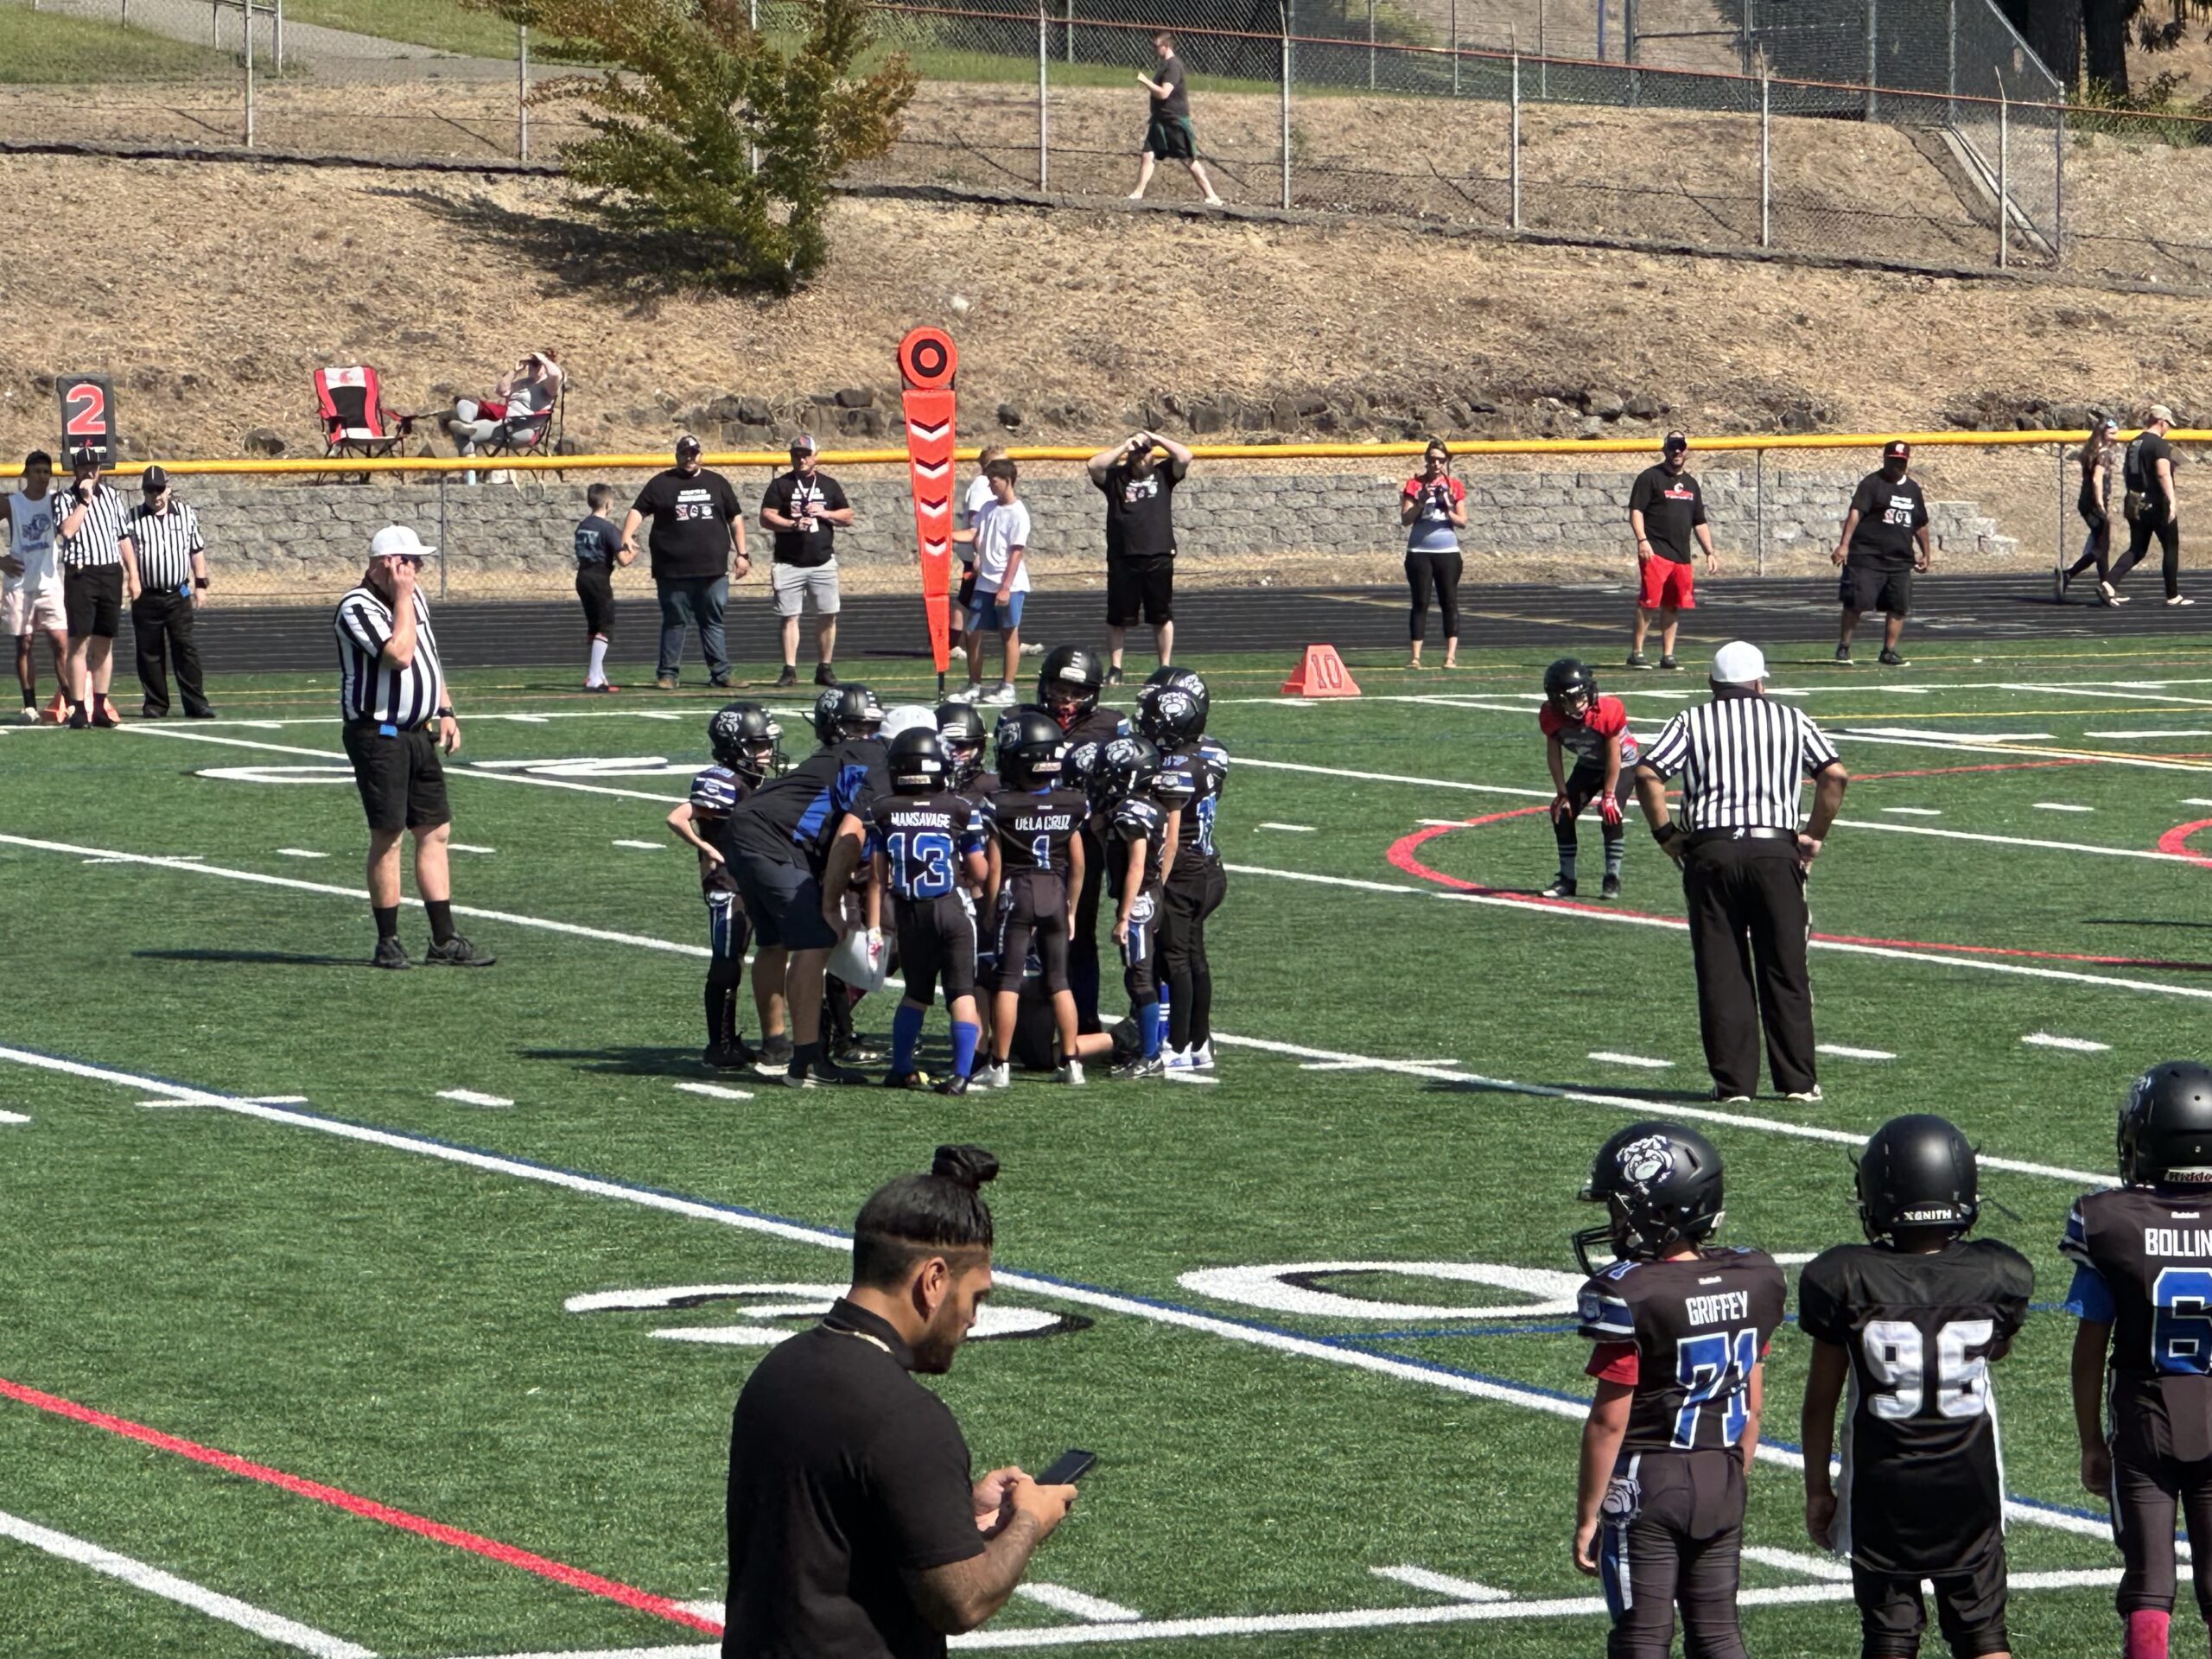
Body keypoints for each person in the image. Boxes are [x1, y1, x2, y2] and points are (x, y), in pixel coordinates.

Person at [723, 1144, 1079, 1656]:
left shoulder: (780, 1369)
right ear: (934, 1281)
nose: (973, 1319)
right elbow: (962, 1602)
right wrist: (1029, 1521)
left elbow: (831, 1530)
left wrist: (953, 1516)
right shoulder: (905, 1416)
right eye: (975, 1297)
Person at [1799, 1115, 2033, 1659]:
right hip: (1969, 1485)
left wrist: (1817, 1488)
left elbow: (1821, 1401)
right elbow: (1997, 1348)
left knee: (1890, 1639)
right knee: (1984, 1637)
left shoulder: (1844, 1276)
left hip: (1883, 1490)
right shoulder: (1998, 1272)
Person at [1571, 1122, 1785, 1659]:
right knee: (1717, 1634)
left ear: (1660, 1210)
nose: (1616, 1221)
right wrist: (1734, 1470)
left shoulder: (1631, 1292)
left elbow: (1609, 1421)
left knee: (1643, 1636)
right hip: (1724, 1469)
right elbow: (1753, 1404)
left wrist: (1590, 1514)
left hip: (1650, 1477)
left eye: (1622, 1208)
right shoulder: (1754, 1276)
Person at [1633, 641, 1847, 1103]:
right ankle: (1797, 1082)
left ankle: (1734, 1085)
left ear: (1713, 683)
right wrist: (1813, 834)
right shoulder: (1791, 718)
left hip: (1712, 852)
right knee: (1785, 967)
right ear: (1759, 683)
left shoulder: (1692, 720)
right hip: (1774, 850)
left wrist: (1666, 833)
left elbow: (1648, 775)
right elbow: (1834, 775)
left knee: (1722, 970)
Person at [2063, 1060, 2212, 1659]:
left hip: (2145, 1416)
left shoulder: (2111, 1221)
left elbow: (2089, 1348)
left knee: (2149, 1581)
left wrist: (2089, 1440)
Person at [332, 525, 494, 970]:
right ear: (388, 563)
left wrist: (446, 708)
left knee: (435, 830)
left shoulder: (414, 596)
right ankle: (388, 940)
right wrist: (403, 598)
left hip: (419, 732)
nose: (419, 568)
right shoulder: (356, 606)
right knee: (389, 836)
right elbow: (399, 655)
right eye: (411, 561)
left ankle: (444, 939)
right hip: (378, 734)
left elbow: (428, 657)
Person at [726, 683, 887, 1086]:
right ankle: (807, 1060)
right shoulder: (874, 759)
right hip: (774, 840)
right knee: (814, 941)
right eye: (861, 727)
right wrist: (831, 905)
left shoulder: (836, 757)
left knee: (774, 942)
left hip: (750, 830)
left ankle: (776, 1046)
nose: (867, 735)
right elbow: (850, 835)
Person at [864, 726, 990, 1095]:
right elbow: (980, 871)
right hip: (951, 908)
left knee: (916, 993)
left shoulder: (882, 810)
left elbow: (877, 878)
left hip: (910, 913)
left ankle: (901, 1067)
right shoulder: (960, 808)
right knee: (961, 993)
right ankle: (961, 1074)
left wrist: (874, 926)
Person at [667, 702, 785, 1069]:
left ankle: (729, 1041)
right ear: (734, 746)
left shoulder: (749, 780)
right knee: (727, 961)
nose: (766, 752)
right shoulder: (721, 780)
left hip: (751, 879)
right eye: (758, 745)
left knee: (745, 956)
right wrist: (706, 848)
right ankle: (718, 1045)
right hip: (728, 883)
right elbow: (678, 816)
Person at [977, 709, 1089, 1088]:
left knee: (1008, 981)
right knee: (1059, 980)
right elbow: (1078, 864)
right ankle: (1072, 1063)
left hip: (1018, 892)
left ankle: (1000, 1064)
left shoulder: (1000, 804)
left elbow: (995, 867)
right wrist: (1071, 908)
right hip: (1055, 892)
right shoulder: (1072, 802)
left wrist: (991, 907)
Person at [1034, 645, 1131, 1033]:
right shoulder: (1023, 719)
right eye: (1060, 690)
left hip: (1086, 839)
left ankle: (1085, 1020)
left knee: (1080, 931)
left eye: (1077, 692)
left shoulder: (1112, 725)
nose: (1067, 700)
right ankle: (1034, 1022)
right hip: (1030, 837)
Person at [1141, 666, 1226, 1074]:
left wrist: (1157, 883)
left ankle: (1178, 1044)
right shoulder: (1212, 752)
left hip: (1184, 872)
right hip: (1210, 866)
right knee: (1194, 956)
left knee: (1176, 960)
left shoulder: (1176, 769)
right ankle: (1200, 1041)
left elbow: (1171, 838)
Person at [623, 435, 749, 692]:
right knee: (674, 621)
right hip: (673, 570)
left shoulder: (717, 482)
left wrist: (742, 553)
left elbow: (735, 518)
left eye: (693, 453)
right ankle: (668, 674)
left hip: (713, 570)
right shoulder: (661, 483)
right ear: (677, 455)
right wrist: (627, 534)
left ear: (700, 455)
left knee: (712, 621)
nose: (689, 458)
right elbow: (638, 510)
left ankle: (721, 673)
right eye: (684, 453)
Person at [1098, 734, 1176, 1079]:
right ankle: (1147, 1048)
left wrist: (1123, 916)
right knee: (1142, 975)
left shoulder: (1130, 814)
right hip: (1152, 894)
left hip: (1141, 901)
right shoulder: (1151, 805)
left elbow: (1136, 866)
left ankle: (1150, 1054)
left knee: (1140, 979)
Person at [1088, 430, 1191, 684]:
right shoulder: (1116, 478)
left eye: (1145, 452)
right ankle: (1116, 668)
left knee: (1161, 616)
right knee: (1117, 618)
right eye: (1137, 452)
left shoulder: (1164, 474)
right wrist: (1125, 446)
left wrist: (1156, 439)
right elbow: (1093, 465)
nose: (1141, 456)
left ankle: (1164, 667)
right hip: (1123, 557)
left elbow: (1185, 456)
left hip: (1158, 555)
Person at [1539, 658, 1638, 902]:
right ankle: (1567, 879)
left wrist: (1610, 794)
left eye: (1581, 696)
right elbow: (1554, 754)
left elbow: (1614, 754)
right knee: (1562, 813)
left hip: (1622, 763)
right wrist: (1562, 793)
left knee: (1610, 812)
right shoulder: (1551, 716)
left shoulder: (1608, 710)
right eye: (1570, 699)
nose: (1578, 704)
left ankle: (1612, 877)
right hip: (1588, 764)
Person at [53, 446, 138, 729]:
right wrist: (85, 501)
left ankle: (100, 706)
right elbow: (68, 530)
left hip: (109, 571)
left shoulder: (112, 496)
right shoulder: (64, 498)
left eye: (95, 467)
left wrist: (133, 575)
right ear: (75, 470)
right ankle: (79, 708)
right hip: (81, 573)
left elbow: (123, 537)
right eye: (85, 467)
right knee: (79, 641)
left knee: (104, 641)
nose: (90, 472)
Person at [761, 433, 854, 689]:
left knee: (828, 615)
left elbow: (848, 516)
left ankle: (825, 667)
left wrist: (825, 512)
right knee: (789, 616)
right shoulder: (781, 484)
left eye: (805, 454)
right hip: (789, 562)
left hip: (822, 561)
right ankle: (790, 669)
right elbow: (766, 516)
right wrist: (791, 524)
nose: (801, 459)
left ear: (816, 456)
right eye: (796, 455)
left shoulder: (829, 484)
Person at [125, 466, 215, 721]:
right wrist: (131, 580)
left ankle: (196, 703)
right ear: (143, 492)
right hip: (147, 595)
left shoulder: (185, 514)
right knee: (149, 652)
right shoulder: (132, 518)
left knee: (185, 648)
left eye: (160, 490)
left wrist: (200, 585)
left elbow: (196, 550)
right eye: (150, 491)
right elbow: (126, 553)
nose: (156, 496)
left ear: (169, 488)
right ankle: (156, 704)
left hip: (178, 593)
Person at [1833, 440, 1932, 667]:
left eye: (1901, 462)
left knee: (1898, 606)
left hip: (1900, 558)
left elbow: (1920, 524)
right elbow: (1856, 513)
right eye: (1893, 461)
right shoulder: (1872, 483)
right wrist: (1844, 545)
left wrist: (1926, 553)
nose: (1897, 466)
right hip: (1867, 556)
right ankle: (1844, 646)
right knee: (1857, 602)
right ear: (1885, 460)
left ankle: (1889, 650)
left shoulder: (1912, 489)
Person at [1628, 431, 1717, 671]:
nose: (1677, 451)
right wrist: (1642, 540)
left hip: (1681, 555)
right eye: (1672, 446)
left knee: (1673, 605)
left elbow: (1699, 521)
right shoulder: (1650, 478)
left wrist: (1709, 552)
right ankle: (1637, 652)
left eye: (1681, 446)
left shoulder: (1691, 484)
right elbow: (1636, 511)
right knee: (1649, 602)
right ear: (1665, 449)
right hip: (1656, 551)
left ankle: (1668, 655)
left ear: (1687, 450)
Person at [948, 459, 1028, 706]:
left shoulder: (1018, 513)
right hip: (985, 582)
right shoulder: (988, 507)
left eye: (994, 482)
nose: (991, 487)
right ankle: (974, 685)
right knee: (972, 632)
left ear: (1007, 481)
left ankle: (1008, 687)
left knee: (1008, 633)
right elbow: (973, 533)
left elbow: (1016, 553)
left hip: (1008, 584)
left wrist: (1005, 587)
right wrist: (944, 535)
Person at [2, 449, 64, 723]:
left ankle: (70, 702)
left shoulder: (57, 501)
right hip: (19, 583)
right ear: (26, 473)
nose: (42, 476)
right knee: (25, 644)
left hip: (49, 583)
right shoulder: (12, 503)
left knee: (60, 641)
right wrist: (1, 561)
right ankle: (30, 706)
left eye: (46, 472)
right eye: (37, 471)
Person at [1128, 31, 1223, 206]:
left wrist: (1145, 81)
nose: (1155, 50)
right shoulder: (1164, 65)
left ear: (1167, 46)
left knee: (1187, 159)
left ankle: (1212, 196)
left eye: (1157, 46)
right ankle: (1138, 193)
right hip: (1160, 120)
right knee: (1148, 154)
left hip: (1174, 120)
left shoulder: (1173, 66)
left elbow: (1164, 93)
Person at [2112, 404, 2190, 607]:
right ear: (2161, 422)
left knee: (2137, 548)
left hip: (2135, 500)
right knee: (2170, 547)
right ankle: (2173, 595)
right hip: (2155, 503)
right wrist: (2172, 501)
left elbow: (2126, 471)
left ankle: (2109, 583)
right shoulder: (2158, 444)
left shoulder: (2134, 442)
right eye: (2168, 424)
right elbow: (2163, 473)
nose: (2168, 429)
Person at [1401, 438, 1466, 670]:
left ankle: (1450, 657)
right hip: (1419, 551)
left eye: (1440, 460)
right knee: (1420, 602)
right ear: (1426, 460)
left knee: (1449, 601)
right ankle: (1415, 657)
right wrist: (1420, 503)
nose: (1436, 464)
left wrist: (1447, 508)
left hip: (1447, 551)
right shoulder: (1414, 484)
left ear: (1446, 461)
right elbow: (1405, 519)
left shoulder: (1454, 485)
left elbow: (1463, 522)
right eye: (1432, 460)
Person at [446, 349, 562, 477]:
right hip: (503, 423)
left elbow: (556, 374)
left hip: (523, 429)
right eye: (531, 364)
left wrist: (543, 359)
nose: (532, 367)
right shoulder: (523, 383)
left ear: (546, 366)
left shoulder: (549, 386)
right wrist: (514, 371)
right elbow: (501, 390)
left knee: (462, 435)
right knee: (465, 405)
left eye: (536, 364)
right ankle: (466, 426)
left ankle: (470, 476)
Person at [575, 481, 635, 692]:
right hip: (599, 578)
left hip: (583, 576)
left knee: (594, 626)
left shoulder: (583, 525)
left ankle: (597, 674)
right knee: (606, 627)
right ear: (608, 504)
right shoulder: (606, 528)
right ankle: (594, 677)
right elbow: (623, 560)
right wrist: (633, 550)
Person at [2063, 417, 2126, 607]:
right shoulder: (2103, 453)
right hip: (2094, 504)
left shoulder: (2090, 450)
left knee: (2102, 545)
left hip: (2085, 502)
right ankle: (2069, 574)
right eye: (2112, 433)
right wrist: (2100, 504)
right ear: (2103, 433)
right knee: (2100, 547)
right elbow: (2097, 480)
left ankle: (2106, 587)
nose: (2115, 437)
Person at [956, 445, 1008, 670]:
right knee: (969, 600)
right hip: (978, 556)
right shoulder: (982, 485)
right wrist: (979, 553)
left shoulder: (999, 488)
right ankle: (952, 643)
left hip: (988, 555)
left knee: (968, 599)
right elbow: (975, 522)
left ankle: (953, 643)